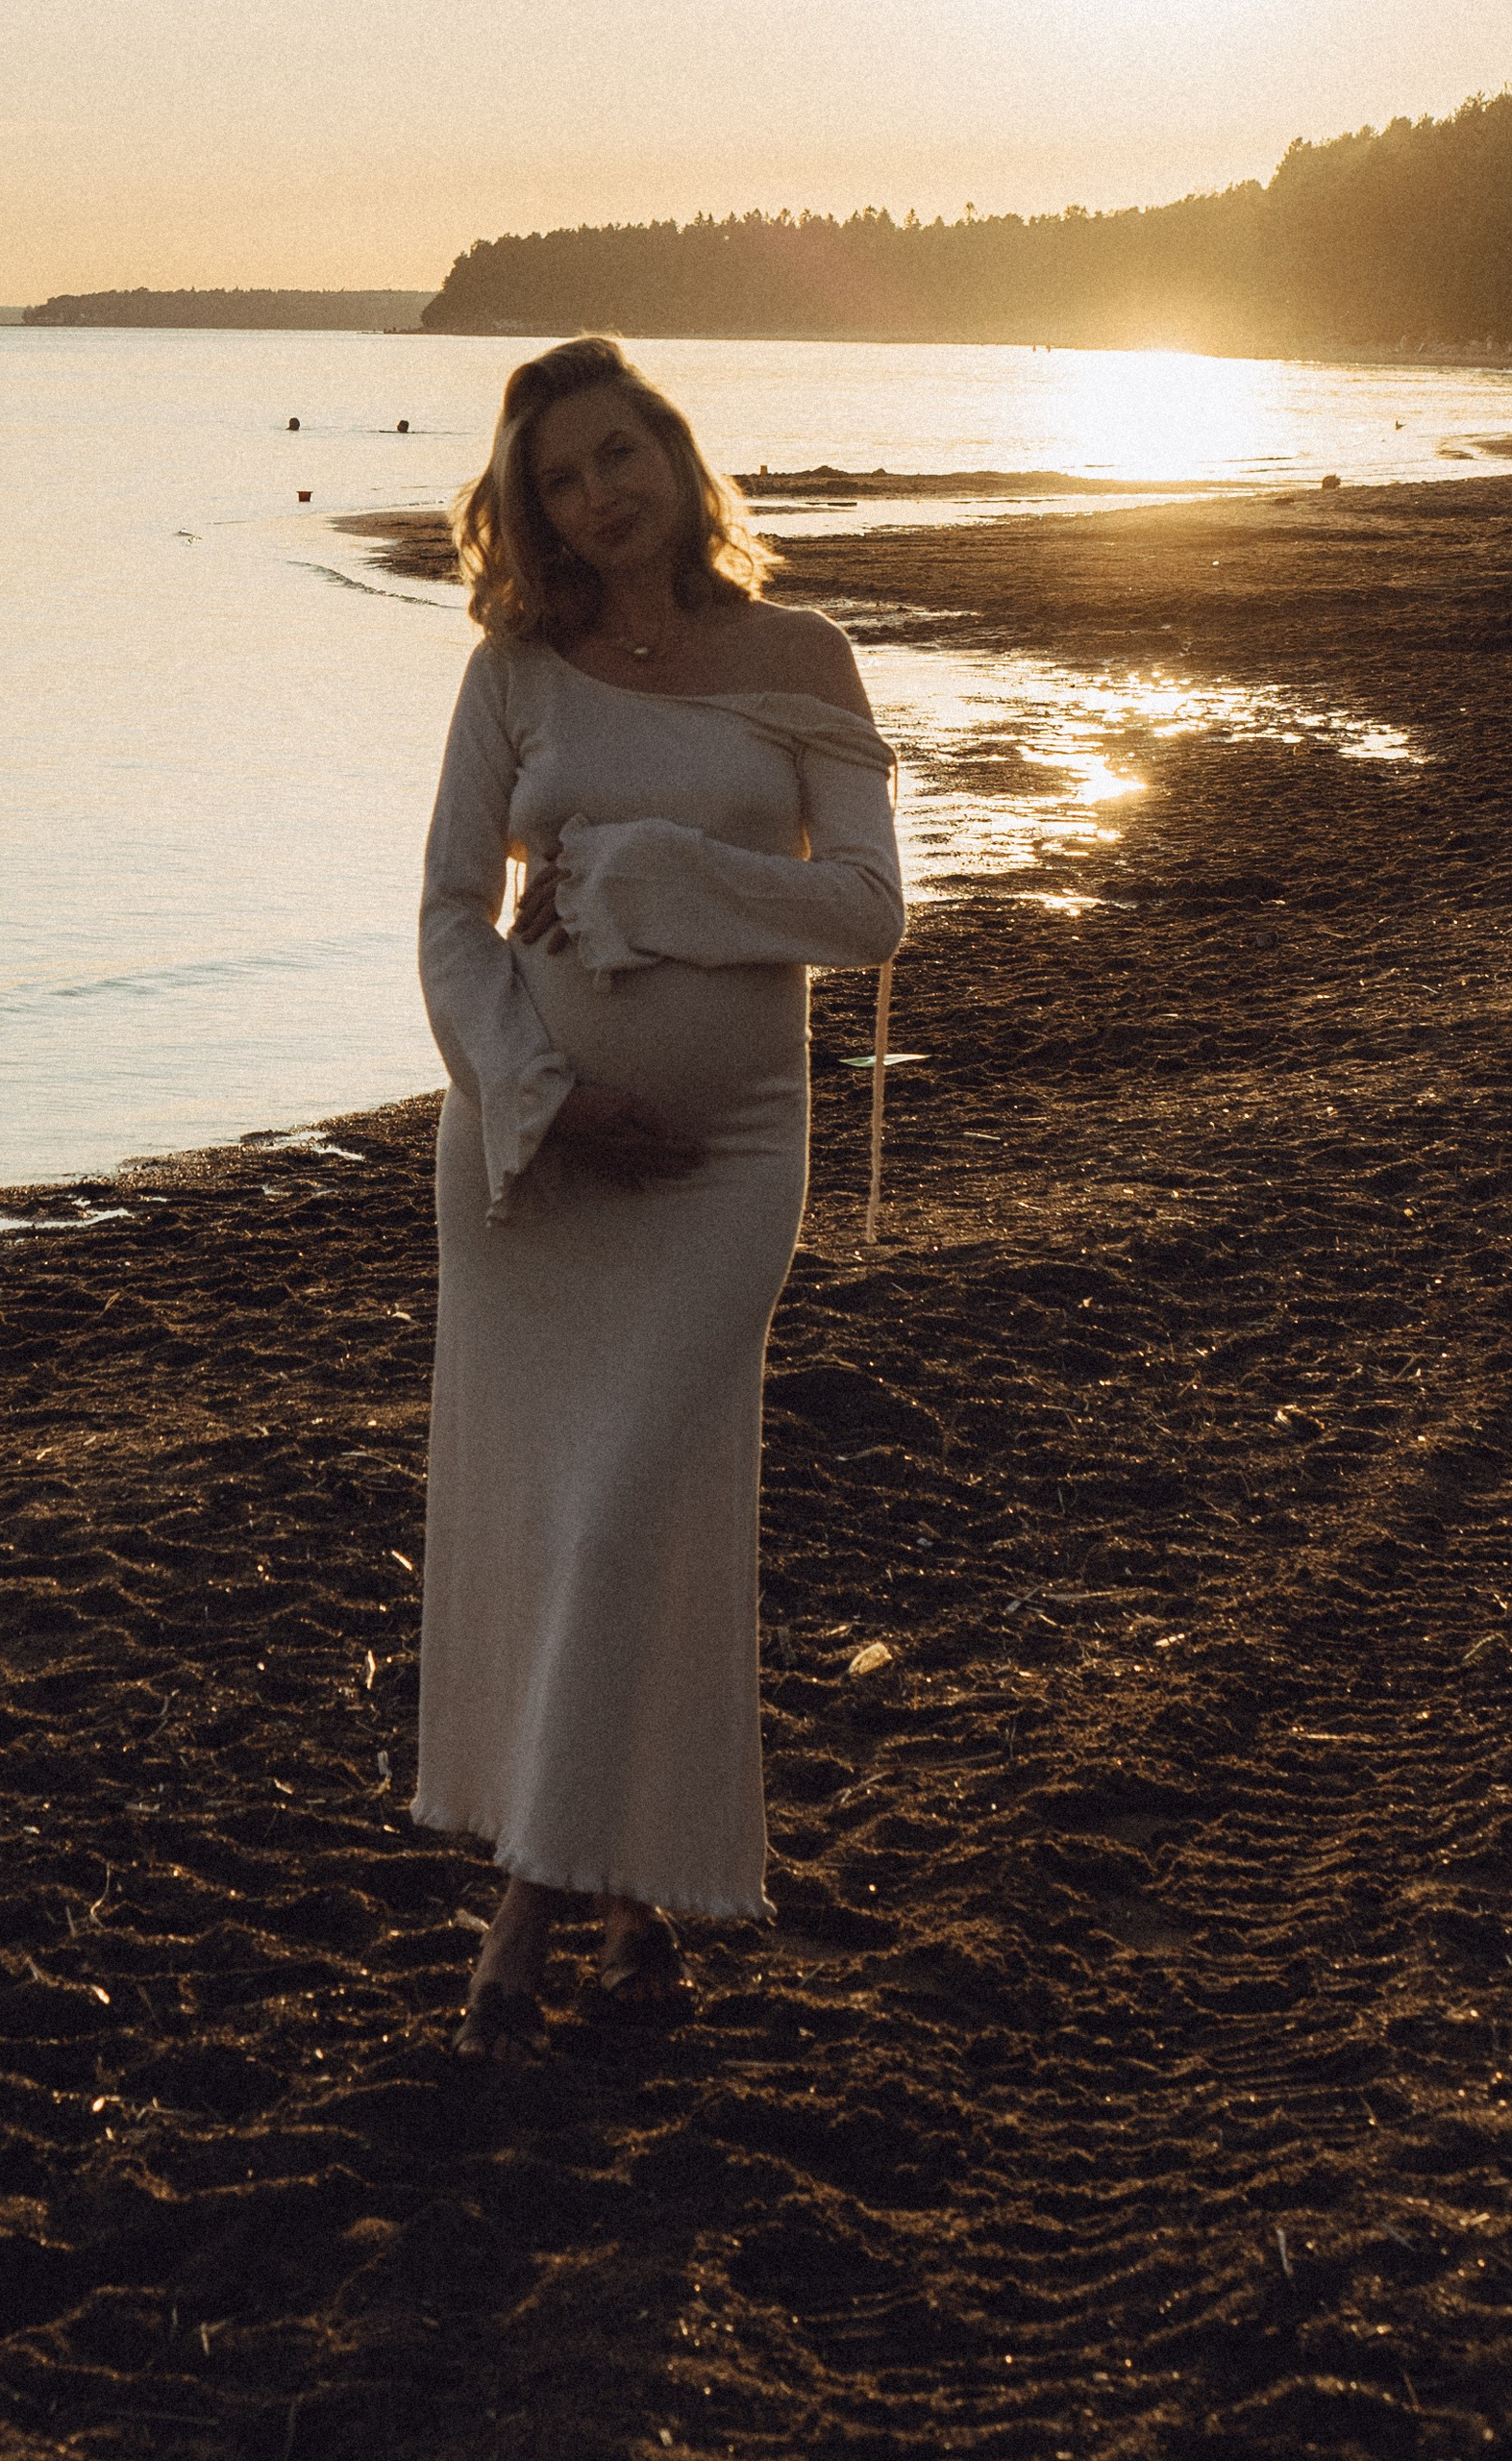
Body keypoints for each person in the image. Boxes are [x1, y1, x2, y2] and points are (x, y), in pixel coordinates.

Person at [414, 336, 905, 2059]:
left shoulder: (803, 659)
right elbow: (449, 919)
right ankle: (635, 1915)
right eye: (560, 477)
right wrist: (540, 1097)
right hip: (541, 1177)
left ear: (679, 459)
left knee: (626, 1507)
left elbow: (863, 913)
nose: (597, 495)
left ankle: (520, 1926)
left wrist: (632, 875)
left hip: (726, 1163)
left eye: (619, 454)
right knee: (602, 1524)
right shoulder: (518, 672)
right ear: (533, 510)